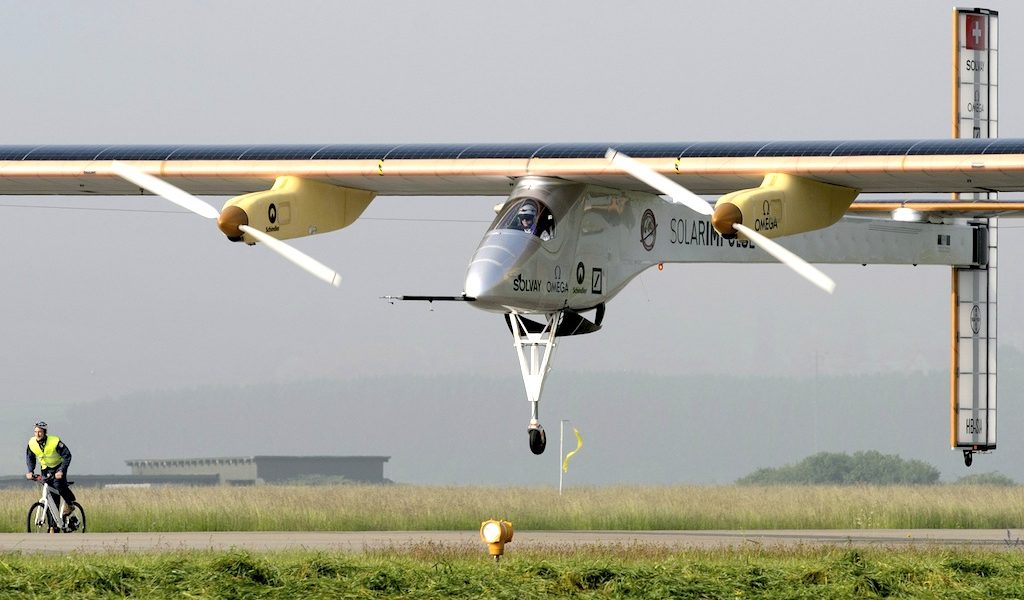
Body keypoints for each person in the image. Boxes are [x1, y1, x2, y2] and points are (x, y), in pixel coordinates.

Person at [25, 421, 75, 517]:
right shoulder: (31, 443)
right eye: (35, 432)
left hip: (58, 467)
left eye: (40, 432)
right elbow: (30, 458)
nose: (37, 434)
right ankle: (53, 527)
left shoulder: (54, 442)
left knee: (58, 485)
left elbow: (67, 455)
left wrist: (61, 471)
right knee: (50, 496)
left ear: (44, 432)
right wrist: (30, 471)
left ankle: (70, 503)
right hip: (45, 469)